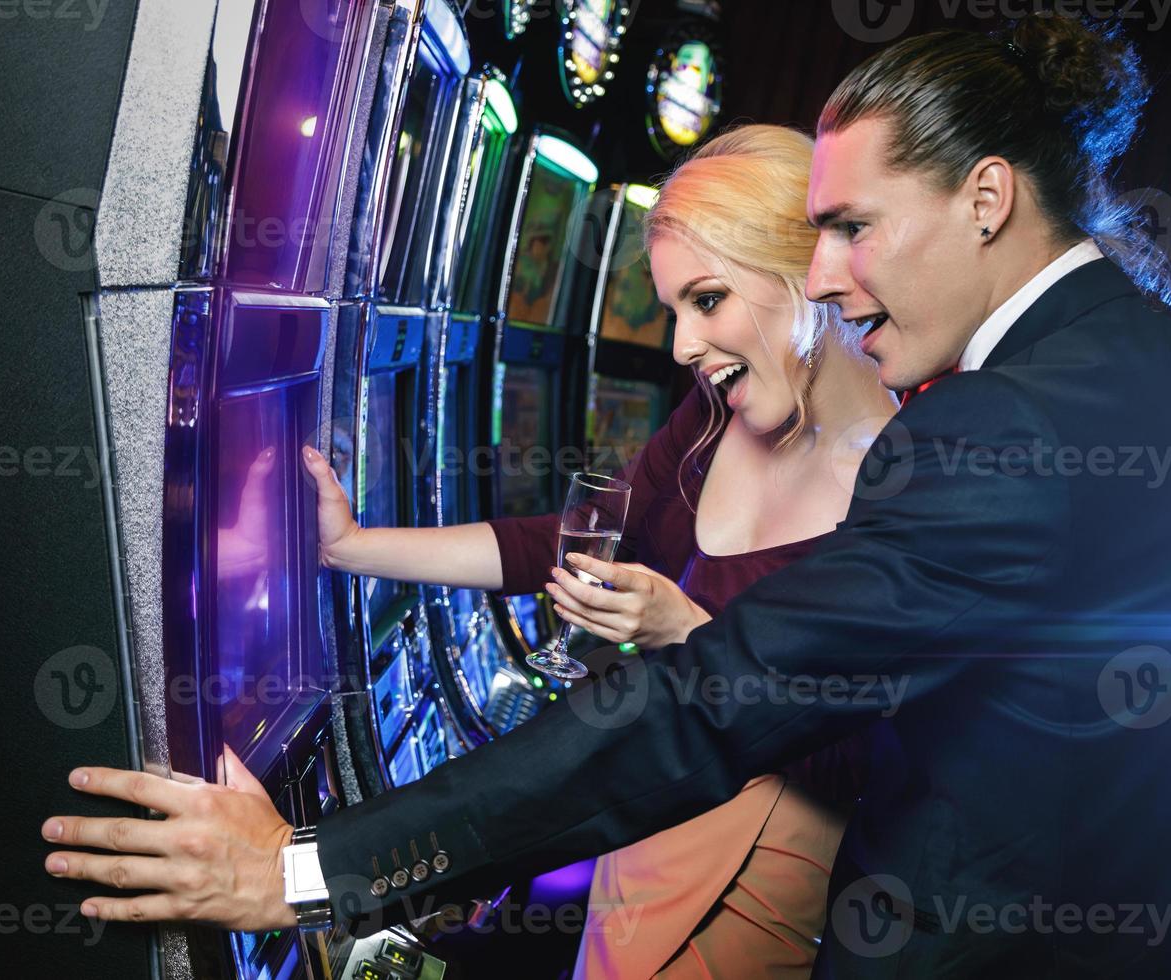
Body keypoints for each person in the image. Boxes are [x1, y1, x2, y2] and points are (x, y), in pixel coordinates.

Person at [42, 13, 1171, 980]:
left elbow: (712, 708)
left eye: (853, 226)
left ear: (987, 196)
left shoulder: (997, 425)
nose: (835, 278)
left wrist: (307, 870)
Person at [302, 123, 894, 977]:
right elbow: (569, 542)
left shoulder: (918, 472)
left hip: (758, 884)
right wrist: (355, 547)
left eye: (709, 299)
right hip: (641, 829)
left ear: (805, 269)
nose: (684, 347)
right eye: (673, 312)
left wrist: (687, 632)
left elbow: (879, 761)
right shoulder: (710, 422)